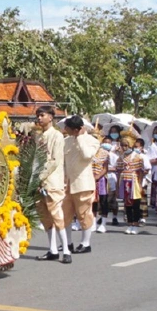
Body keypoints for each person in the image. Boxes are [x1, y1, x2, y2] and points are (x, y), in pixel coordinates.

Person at [34, 106, 71, 263]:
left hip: (52, 181)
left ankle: (67, 250)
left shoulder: (57, 135)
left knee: (57, 215)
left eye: (42, 115)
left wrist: (41, 176)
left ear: (50, 117)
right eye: (38, 116)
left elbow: (55, 160)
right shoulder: (40, 137)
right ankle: (53, 249)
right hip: (39, 182)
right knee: (45, 216)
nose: (39, 118)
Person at [63, 116, 100, 254]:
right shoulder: (65, 141)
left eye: (68, 128)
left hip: (83, 183)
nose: (65, 130)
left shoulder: (92, 141)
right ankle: (68, 242)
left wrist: (80, 138)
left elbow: (86, 155)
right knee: (65, 214)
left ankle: (85, 243)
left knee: (84, 214)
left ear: (76, 129)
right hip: (67, 183)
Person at [115, 131, 145, 234]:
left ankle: (136, 224)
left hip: (134, 181)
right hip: (124, 181)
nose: (124, 148)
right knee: (127, 204)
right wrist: (118, 186)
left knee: (135, 204)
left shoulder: (137, 157)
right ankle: (130, 223)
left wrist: (140, 185)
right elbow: (118, 172)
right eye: (122, 145)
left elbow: (140, 172)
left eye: (126, 145)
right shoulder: (120, 158)